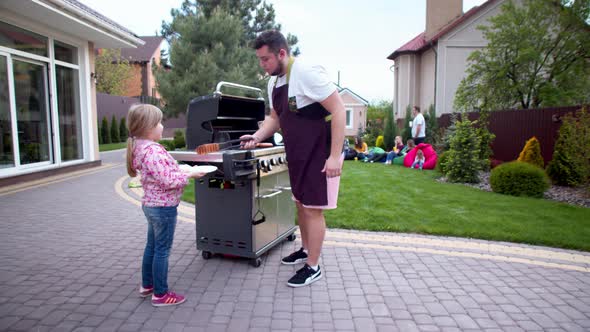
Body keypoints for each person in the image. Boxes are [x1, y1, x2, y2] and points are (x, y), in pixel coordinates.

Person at [242, 30, 345, 287]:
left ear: (282, 53)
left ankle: (313, 265)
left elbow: (339, 109)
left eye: (265, 59)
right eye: (260, 59)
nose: (262, 65)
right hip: (296, 153)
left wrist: (334, 157)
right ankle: (305, 250)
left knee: (312, 210)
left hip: (319, 153)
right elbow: (275, 118)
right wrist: (256, 136)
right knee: (300, 205)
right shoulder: (273, 82)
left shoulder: (307, 73)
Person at [126, 104, 206, 307]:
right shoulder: (152, 151)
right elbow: (169, 181)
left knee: (152, 247)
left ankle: (147, 285)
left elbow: (161, 172)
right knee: (162, 250)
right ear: (149, 127)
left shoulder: (141, 147)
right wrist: (190, 174)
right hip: (163, 208)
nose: (162, 126)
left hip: (152, 206)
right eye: (160, 122)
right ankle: (161, 294)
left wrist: (181, 167)